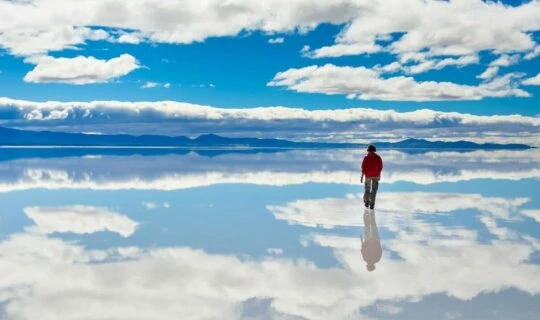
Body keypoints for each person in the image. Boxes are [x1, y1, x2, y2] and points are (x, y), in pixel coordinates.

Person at [360, 144, 383, 210]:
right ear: (374, 150)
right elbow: (381, 167)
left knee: (367, 189)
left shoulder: (366, 158)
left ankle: (367, 202)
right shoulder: (378, 157)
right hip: (376, 176)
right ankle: (372, 204)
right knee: (374, 190)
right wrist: (378, 173)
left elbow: (363, 168)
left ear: (368, 150)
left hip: (368, 176)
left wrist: (362, 176)